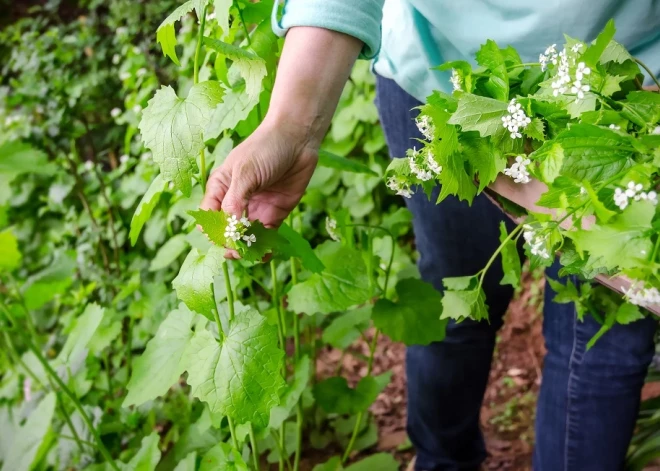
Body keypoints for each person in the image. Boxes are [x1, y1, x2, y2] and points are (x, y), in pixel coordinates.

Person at [200, 2, 660, 470]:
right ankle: (442, 459)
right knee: (456, 305)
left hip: (632, 97)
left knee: (606, 345)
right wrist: (291, 127)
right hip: (442, 83)